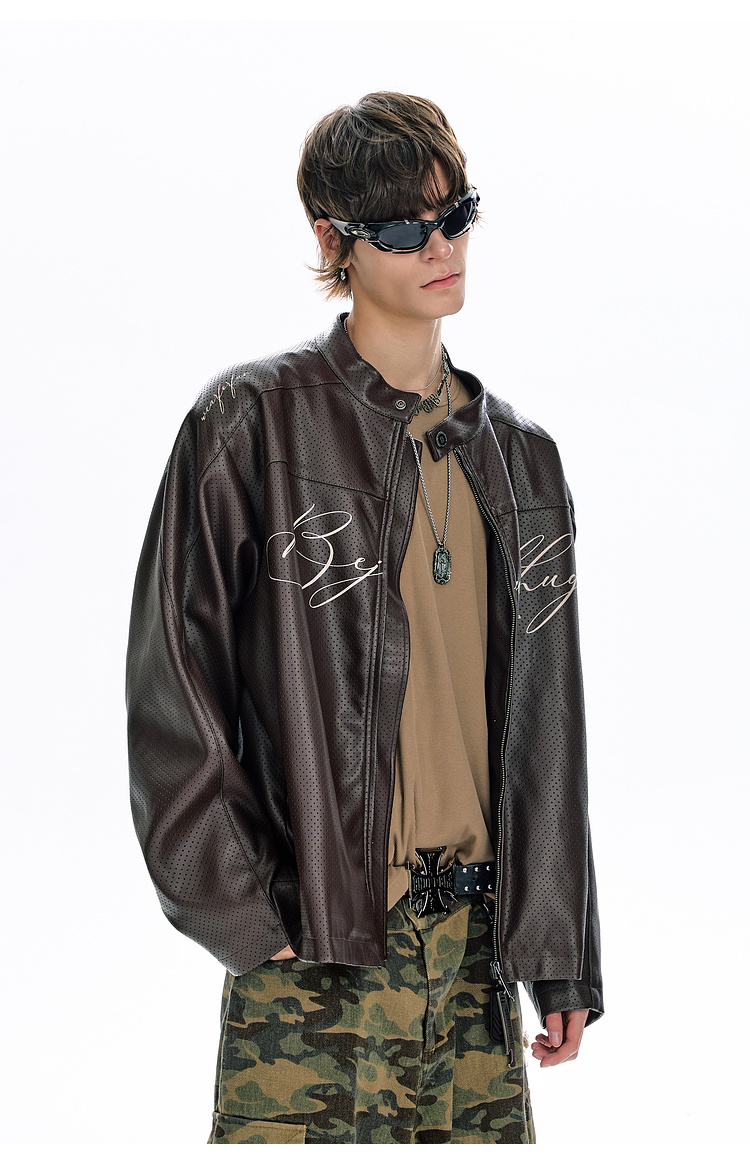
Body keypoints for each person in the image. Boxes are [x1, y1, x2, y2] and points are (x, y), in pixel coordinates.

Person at [125, 91, 604, 1146]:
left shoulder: (525, 460)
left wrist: (561, 953)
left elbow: (549, 725)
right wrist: (244, 918)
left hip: (477, 960)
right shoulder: (250, 424)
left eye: (457, 214)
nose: (442, 247)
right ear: (331, 239)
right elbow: (172, 686)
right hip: (317, 950)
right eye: (402, 228)